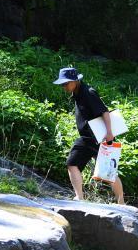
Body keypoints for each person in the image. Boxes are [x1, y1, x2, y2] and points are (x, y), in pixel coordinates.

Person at [53, 66, 125, 204]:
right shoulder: (77, 93)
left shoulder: (88, 92)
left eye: (66, 83)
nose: (64, 87)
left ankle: (121, 203)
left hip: (101, 138)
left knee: (108, 172)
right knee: (72, 164)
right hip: (87, 138)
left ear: (75, 81)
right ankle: (79, 198)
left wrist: (109, 133)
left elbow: (104, 112)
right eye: (62, 84)